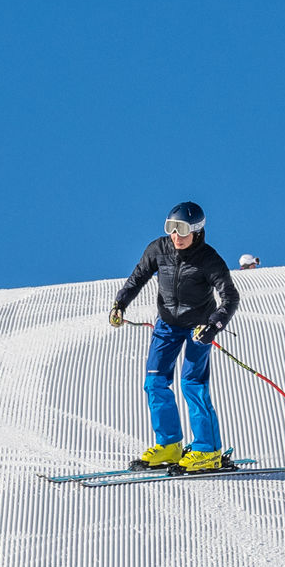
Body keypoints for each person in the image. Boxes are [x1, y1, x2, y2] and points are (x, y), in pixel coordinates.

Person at [109, 201, 241, 472]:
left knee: (192, 384)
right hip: (167, 325)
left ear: (197, 231)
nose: (176, 237)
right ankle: (170, 445)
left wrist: (214, 325)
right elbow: (137, 278)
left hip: (199, 327)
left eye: (182, 230)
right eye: (171, 229)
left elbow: (230, 296)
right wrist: (120, 304)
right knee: (154, 383)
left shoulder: (209, 259)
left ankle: (208, 450)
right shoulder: (158, 249)